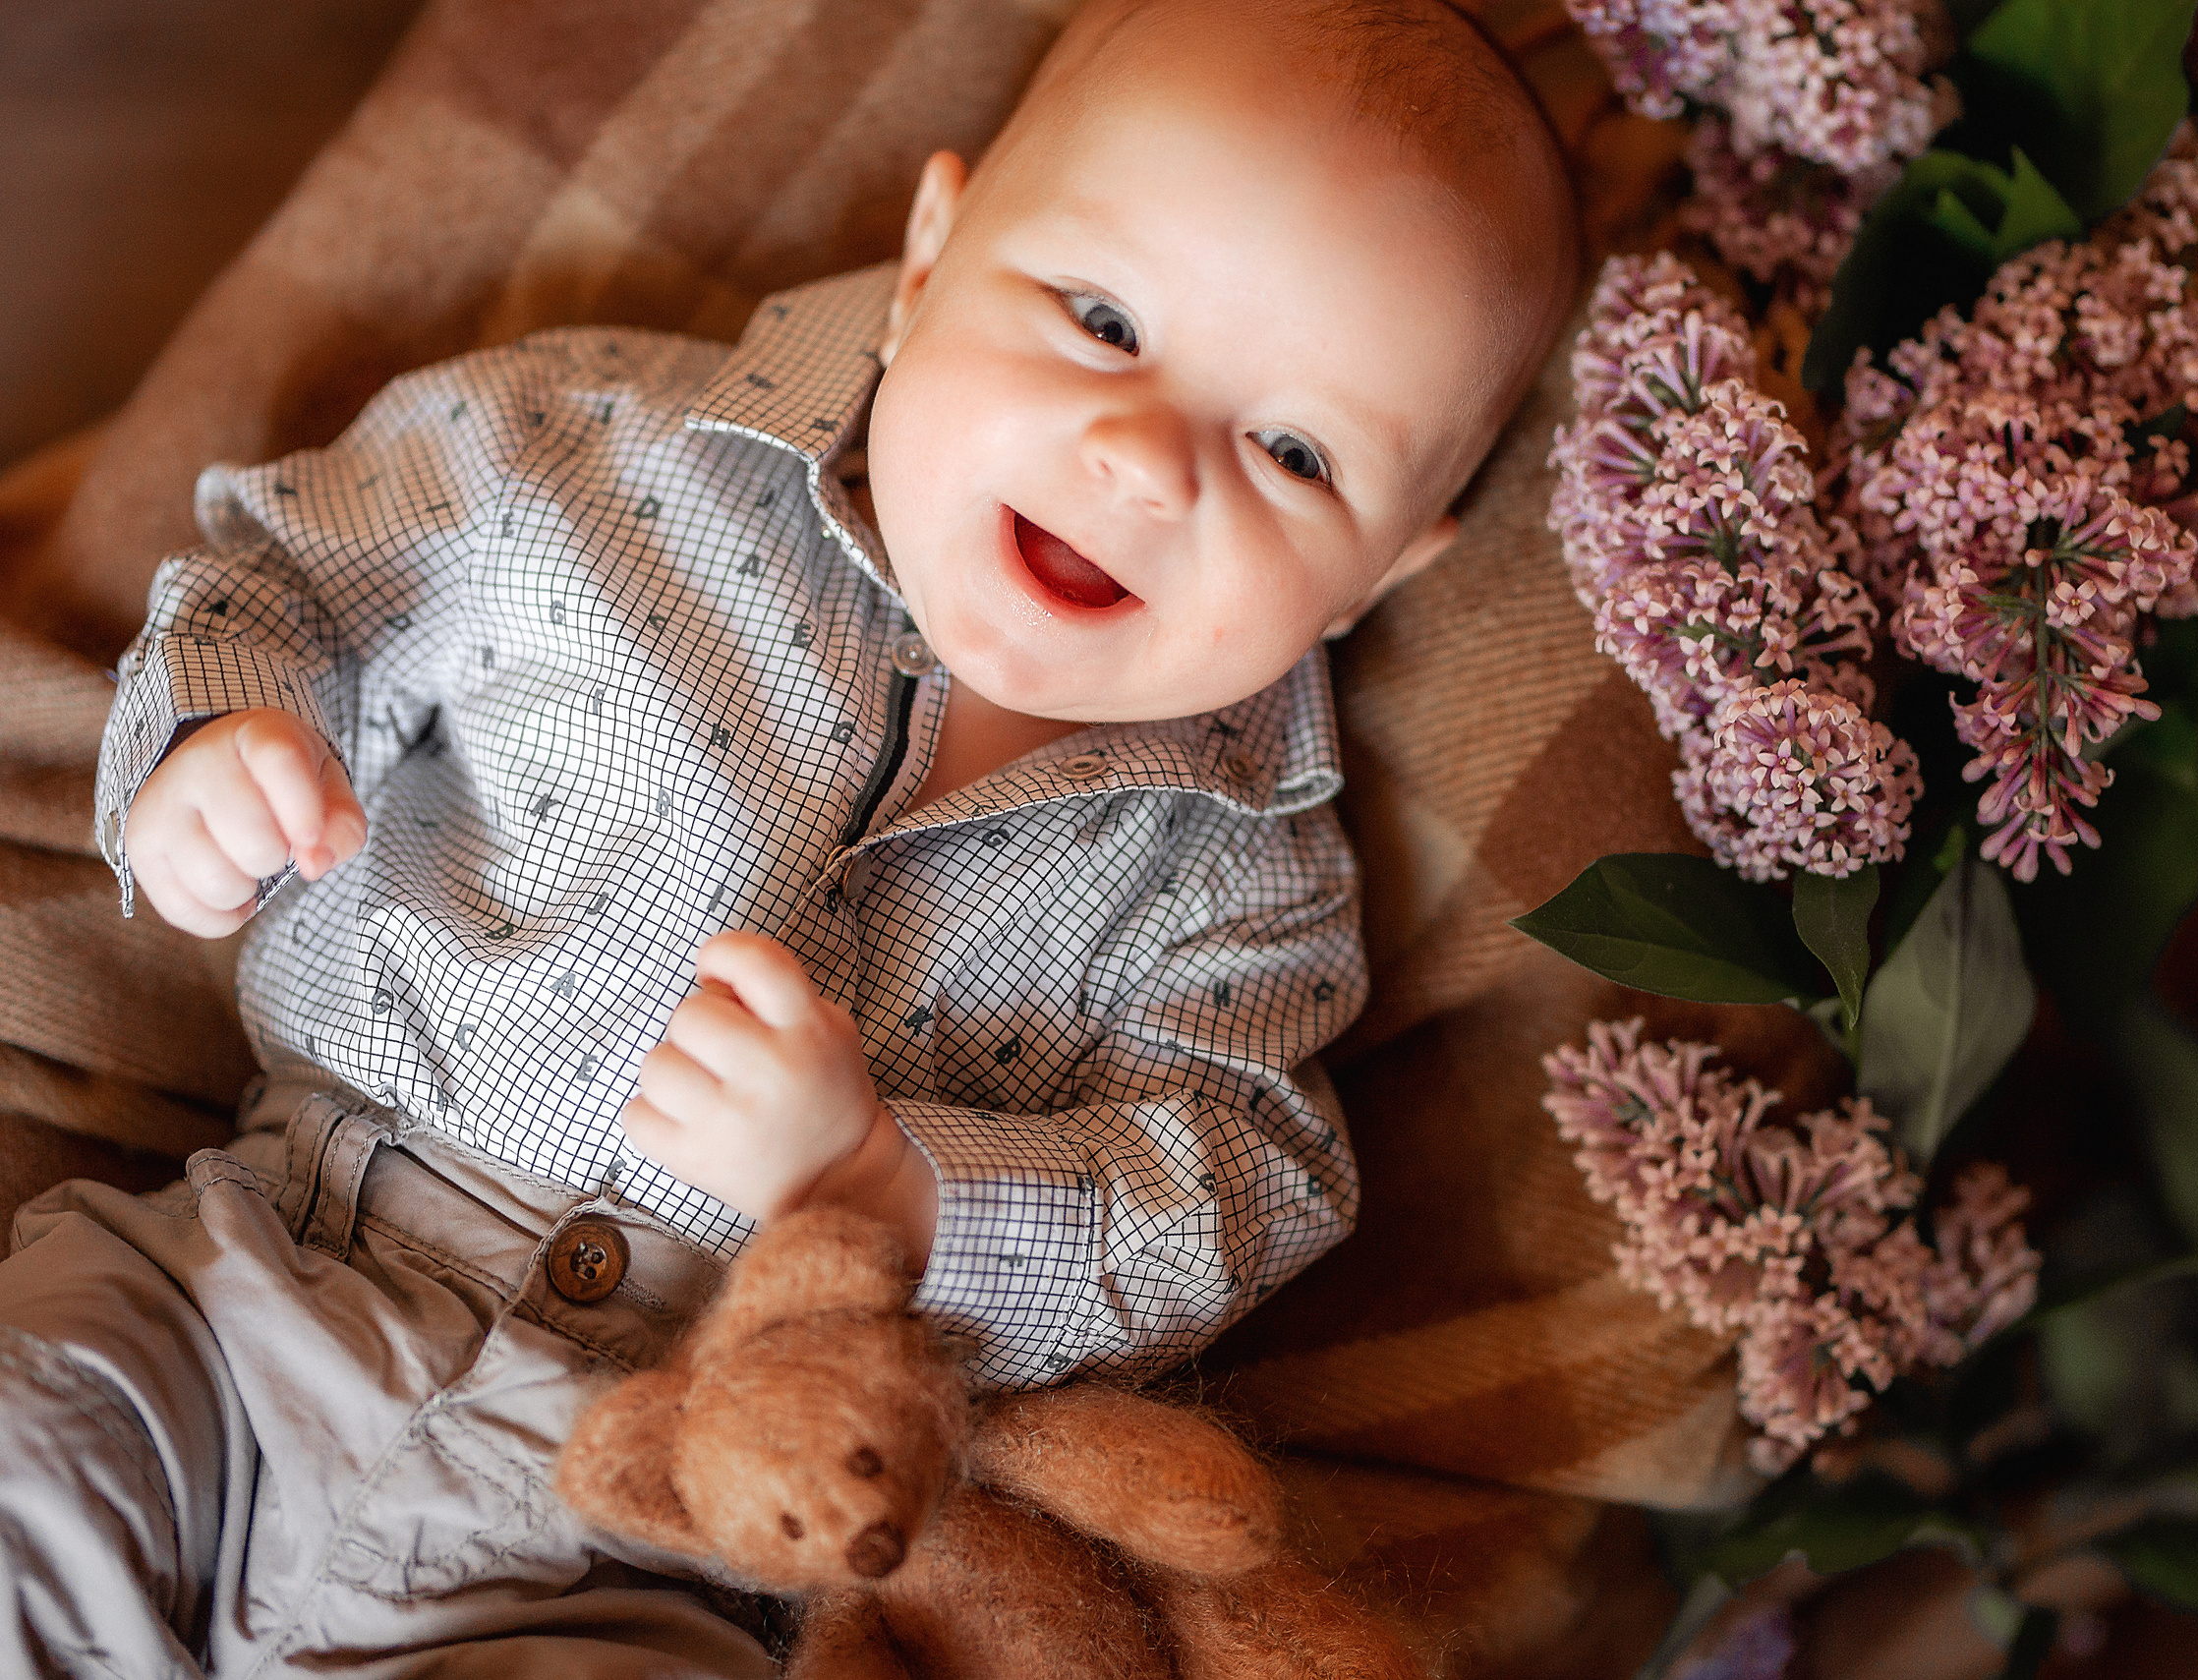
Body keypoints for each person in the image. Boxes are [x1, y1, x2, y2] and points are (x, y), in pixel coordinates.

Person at [1, 0, 1579, 1670]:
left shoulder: (1248, 880)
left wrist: (896, 1195)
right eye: (1105, 319)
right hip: (244, 1284)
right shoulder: (591, 452)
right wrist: (219, 740)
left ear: (1393, 564)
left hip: (671, 1516)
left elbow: (1233, 1190)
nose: (1144, 461)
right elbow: (296, 573)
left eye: (1294, 451)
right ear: (929, 254)